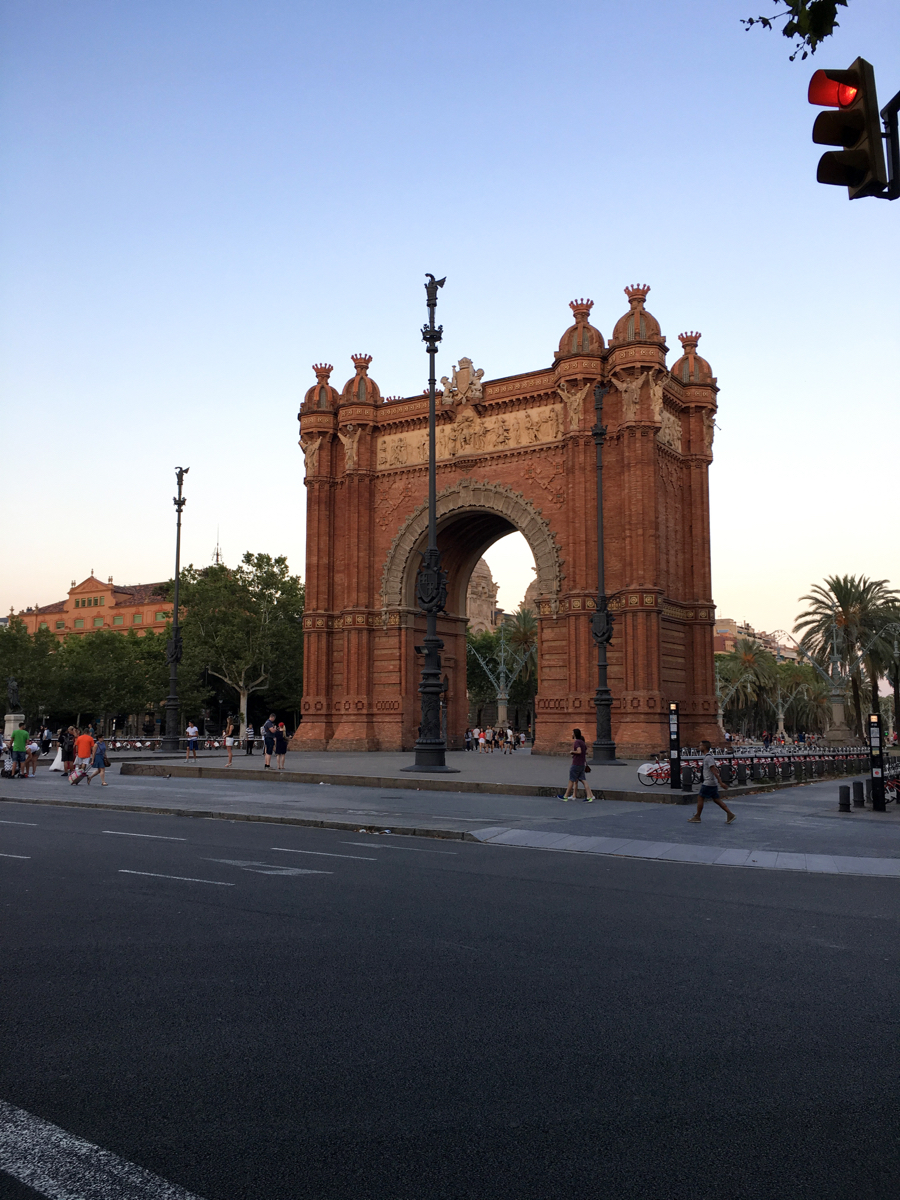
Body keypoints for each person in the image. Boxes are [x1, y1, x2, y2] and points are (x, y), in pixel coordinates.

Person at [689, 740, 736, 824]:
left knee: (700, 797)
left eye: (700, 745)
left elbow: (714, 770)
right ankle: (730, 814)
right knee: (717, 800)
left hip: (709, 782)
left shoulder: (708, 757)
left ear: (704, 747)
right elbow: (714, 769)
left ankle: (697, 816)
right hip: (712, 782)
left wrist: (720, 782)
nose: (699, 747)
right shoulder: (709, 757)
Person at [557, 728, 594, 802]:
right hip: (582, 764)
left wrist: (572, 752)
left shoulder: (577, 742)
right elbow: (585, 751)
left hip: (576, 763)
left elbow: (579, 751)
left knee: (571, 780)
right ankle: (589, 796)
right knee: (583, 780)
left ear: (574, 734)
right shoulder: (582, 742)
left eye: (572, 733)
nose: (571, 734)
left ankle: (565, 796)